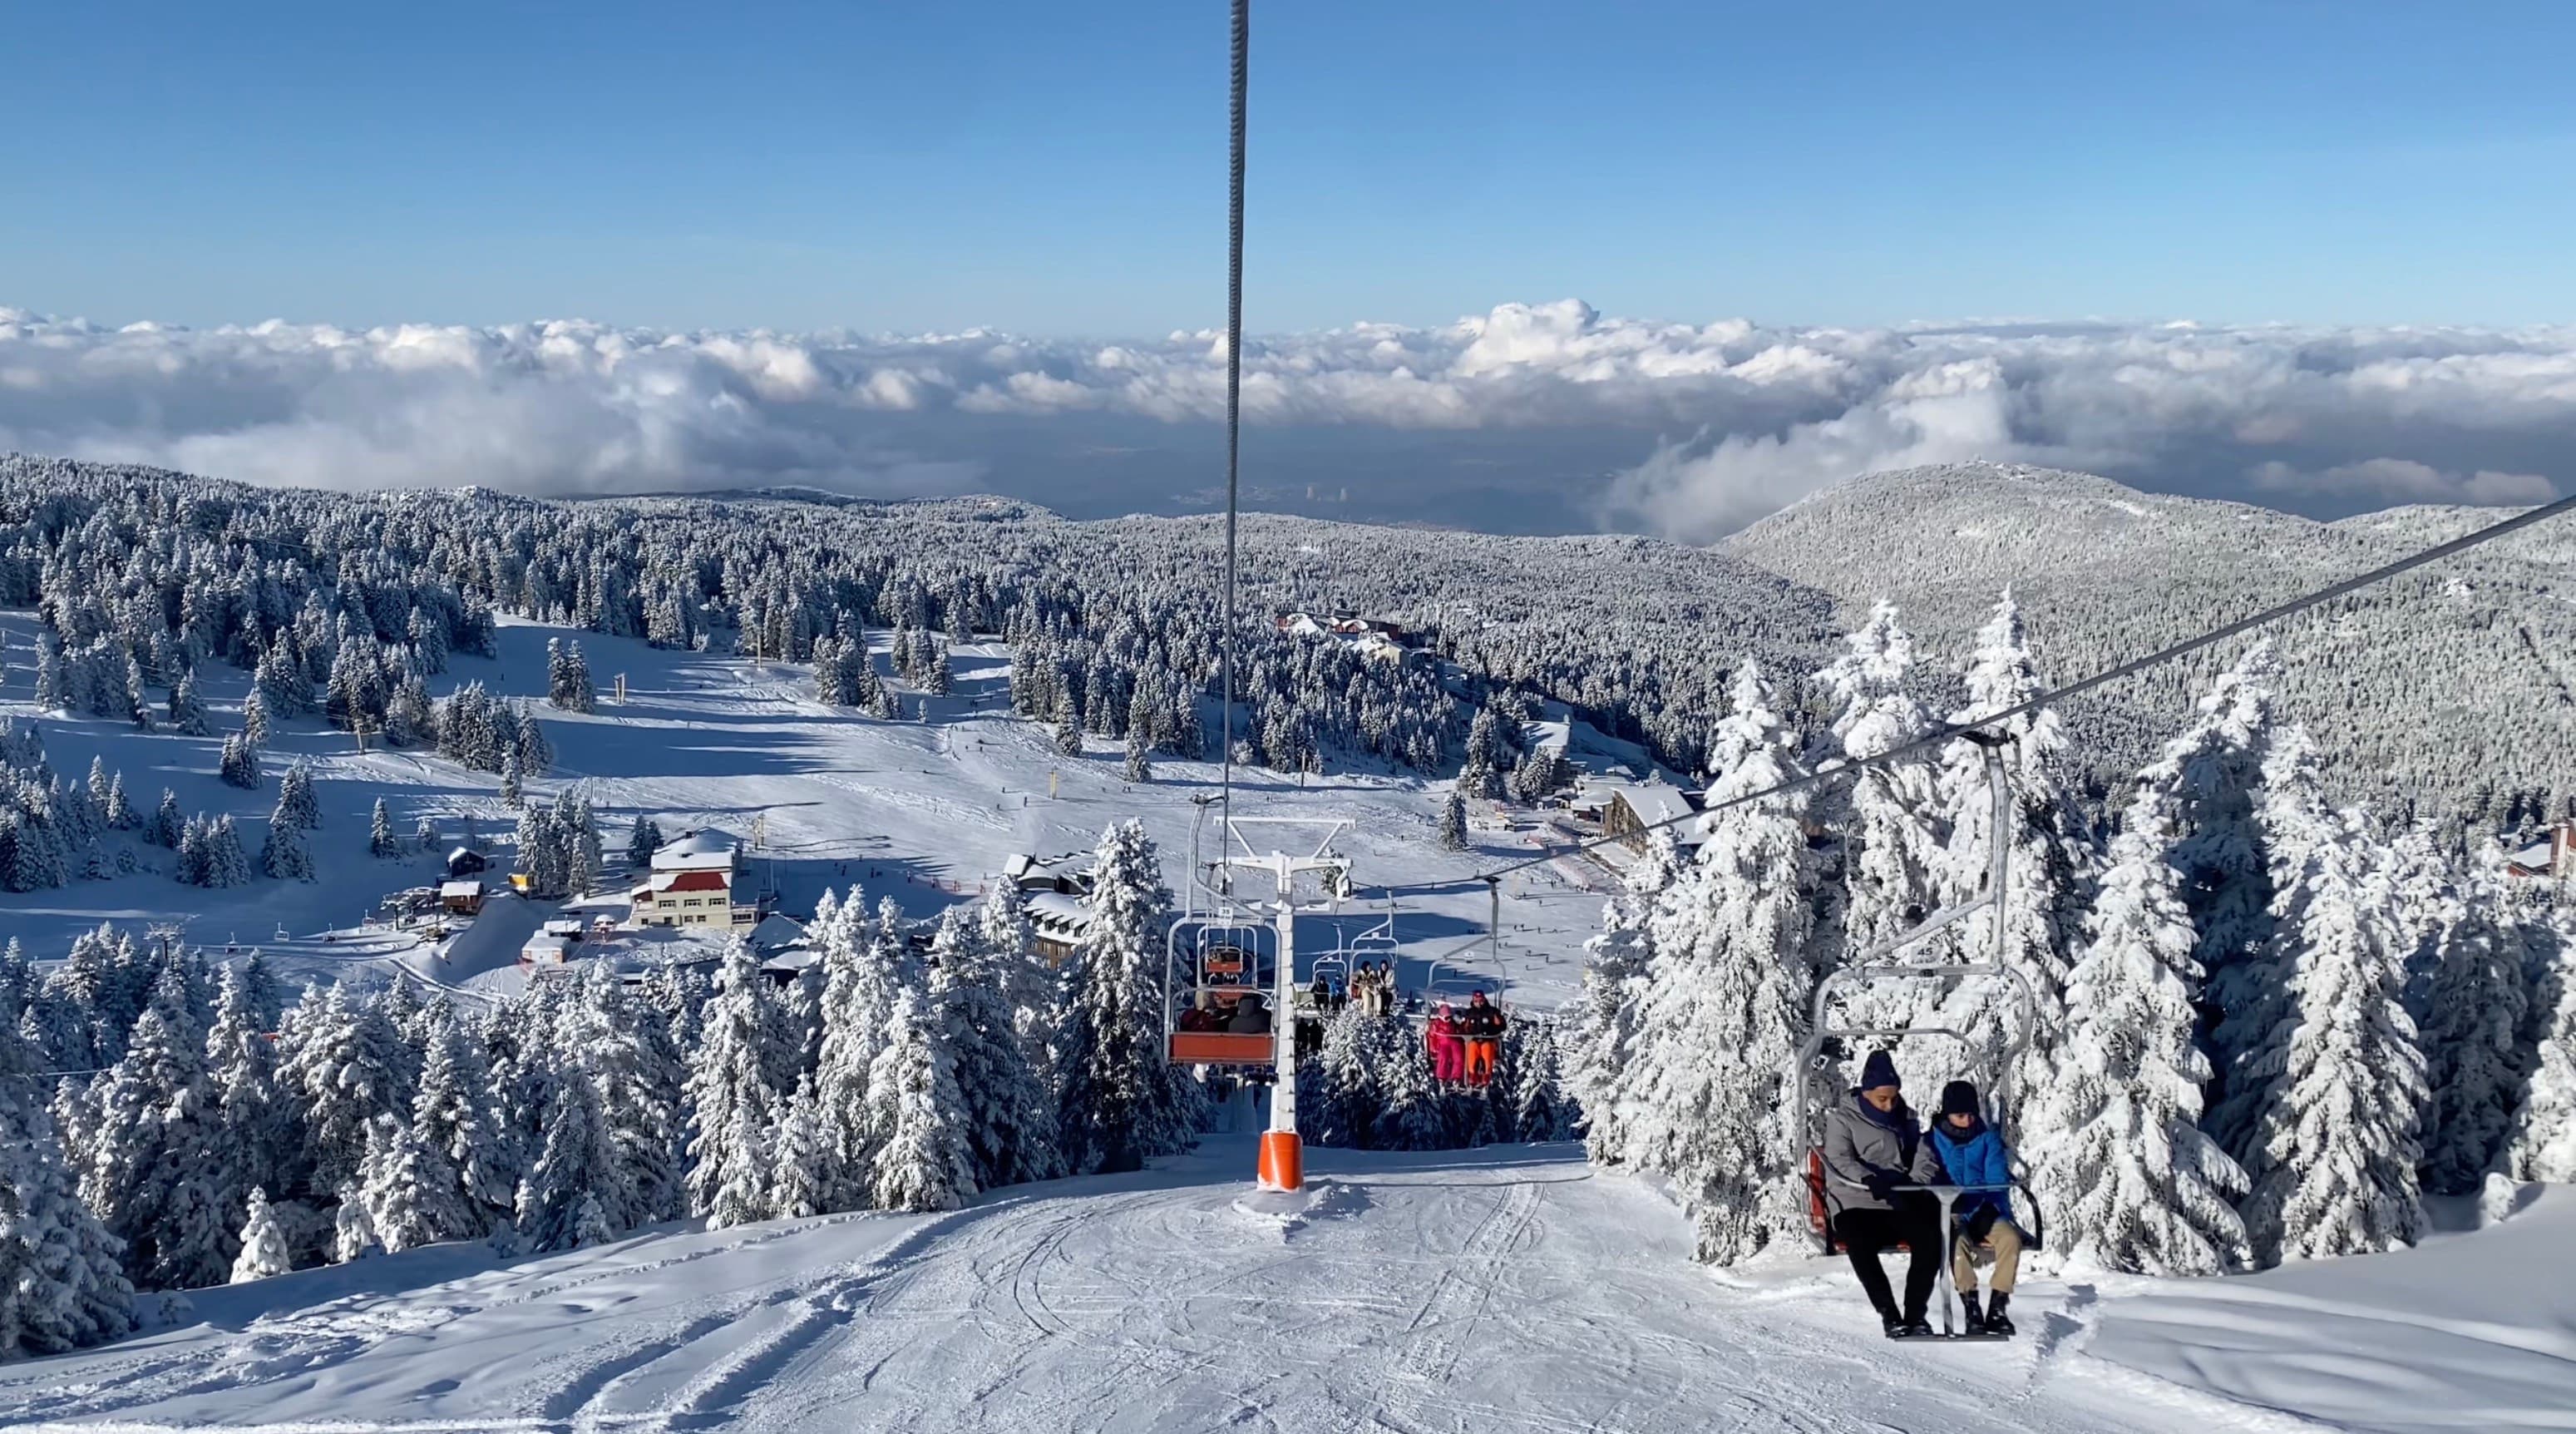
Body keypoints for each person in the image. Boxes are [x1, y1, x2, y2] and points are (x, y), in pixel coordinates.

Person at [1820, 1050, 1944, 1338]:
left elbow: (1923, 1155)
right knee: (1859, 1242)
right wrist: (1869, 1178)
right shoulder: (1843, 1120)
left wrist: (1916, 1182)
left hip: (1897, 1200)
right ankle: (1889, 1313)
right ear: (1866, 1093)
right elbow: (1839, 1158)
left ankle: (1915, 1316)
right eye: (1882, 1099)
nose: (1889, 1105)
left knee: (1930, 1239)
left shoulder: (1905, 1119)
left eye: (1893, 1098)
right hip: (1856, 1200)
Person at [1924, 1080, 2024, 1337]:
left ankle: (1998, 1307)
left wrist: (1987, 1207)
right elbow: (1926, 1175)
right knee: (1957, 1245)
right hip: (1951, 1209)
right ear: (1948, 1114)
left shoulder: (1987, 1139)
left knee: (2010, 1240)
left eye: (1971, 1114)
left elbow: (1996, 1177)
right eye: (1960, 1115)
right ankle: (1971, 1307)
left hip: (1984, 1208)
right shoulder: (1932, 1141)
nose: (1968, 1121)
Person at [1455, 991, 1506, 1086]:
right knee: (1472, 1047)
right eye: (1476, 1000)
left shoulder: (1492, 1011)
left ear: (1484, 999)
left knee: (1487, 1048)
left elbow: (1502, 1026)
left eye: (1481, 1000)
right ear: (1473, 1000)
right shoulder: (1470, 1013)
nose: (1479, 1003)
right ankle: (1472, 1073)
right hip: (1474, 1039)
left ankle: (1486, 1074)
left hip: (1488, 1039)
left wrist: (1497, 1023)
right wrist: (1464, 1031)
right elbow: (1464, 1028)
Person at [1427, 1002, 1464, 1084]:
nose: (1449, 1020)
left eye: (1450, 1017)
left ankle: (1456, 1077)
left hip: (1454, 1042)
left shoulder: (1453, 1024)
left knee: (1459, 1058)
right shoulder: (1436, 1024)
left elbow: (1460, 1031)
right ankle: (1442, 1077)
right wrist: (1433, 1048)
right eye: (1447, 1018)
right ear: (1441, 1017)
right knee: (1443, 1057)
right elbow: (1432, 1036)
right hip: (1443, 1044)